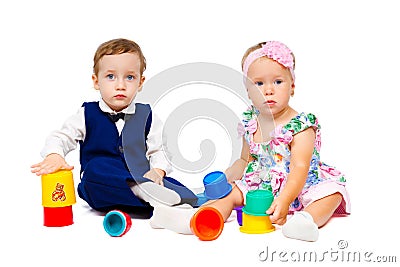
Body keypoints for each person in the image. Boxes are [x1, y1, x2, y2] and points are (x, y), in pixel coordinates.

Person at [149, 41, 350, 241]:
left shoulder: (301, 125)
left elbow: (300, 167)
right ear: (248, 91)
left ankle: (305, 221)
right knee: (231, 194)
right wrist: (225, 181)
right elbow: (245, 161)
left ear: (292, 87)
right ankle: (197, 217)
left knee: (332, 193)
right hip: (261, 184)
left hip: (299, 185)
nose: (268, 90)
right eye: (259, 84)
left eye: (278, 82)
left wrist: (286, 198)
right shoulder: (250, 122)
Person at [31, 38, 198, 215]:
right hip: (102, 187)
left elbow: (160, 150)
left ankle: (168, 208)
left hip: (143, 179)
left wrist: (158, 171)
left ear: (140, 82)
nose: (120, 85)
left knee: (180, 190)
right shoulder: (86, 114)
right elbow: (61, 137)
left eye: (130, 77)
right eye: (111, 77)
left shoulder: (147, 116)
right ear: (96, 81)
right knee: (94, 171)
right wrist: (54, 155)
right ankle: (143, 192)